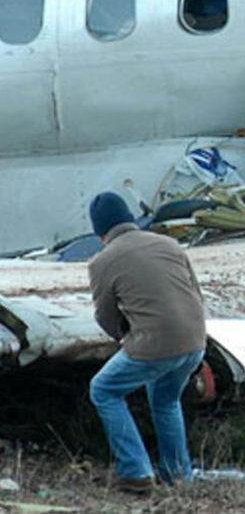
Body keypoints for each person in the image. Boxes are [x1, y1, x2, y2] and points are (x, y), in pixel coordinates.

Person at [86, 192, 207, 494]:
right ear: (130, 219)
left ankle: (135, 470)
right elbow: (195, 294)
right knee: (166, 401)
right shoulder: (170, 245)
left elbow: (105, 316)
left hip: (155, 345)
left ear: (100, 233)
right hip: (195, 341)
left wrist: (124, 338)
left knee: (104, 389)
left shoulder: (103, 261)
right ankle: (179, 475)